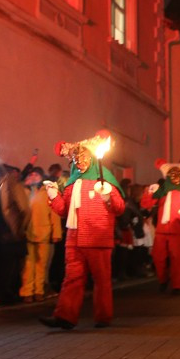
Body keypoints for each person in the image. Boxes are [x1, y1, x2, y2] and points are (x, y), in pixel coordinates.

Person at [39, 133, 126, 330]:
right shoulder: (71, 184)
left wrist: (108, 198)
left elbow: (119, 208)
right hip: (74, 237)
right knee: (72, 278)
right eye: (76, 158)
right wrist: (54, 196)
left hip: (97, 237)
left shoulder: (106, 181)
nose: (80, 161)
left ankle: (103, 316)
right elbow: (64, 210)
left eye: (84, 157)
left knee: (101, 279)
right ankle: (65, 316)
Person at [141, 159, 180, 294]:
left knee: (177, 259)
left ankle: (177, 285)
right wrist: (149, 192)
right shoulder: (162, 191)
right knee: (158, 258)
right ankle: (163, 279)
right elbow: (146, 204)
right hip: (161, 231)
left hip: (177, 231)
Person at [21, 166, 62, 302]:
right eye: (31, 174)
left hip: (44, 232)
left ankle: (38, 291)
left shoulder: (48, 191)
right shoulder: (25, 191)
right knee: (28, 264)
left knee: (41, 264)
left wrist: (56, 232)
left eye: (36, 174)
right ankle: (27, 292)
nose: (33, 177)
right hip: (28, 232)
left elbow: (54, 213)